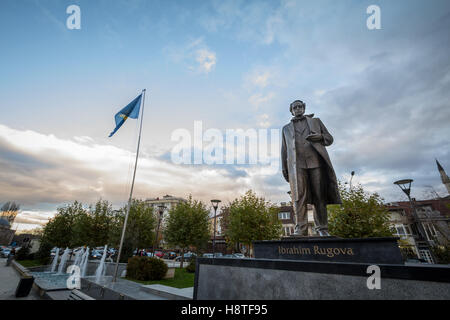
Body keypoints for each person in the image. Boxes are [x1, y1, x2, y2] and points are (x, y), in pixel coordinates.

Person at [281, 100, 341, 236]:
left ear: (304, 108)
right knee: (298, 197)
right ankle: (300, 229)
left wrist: (319, 137)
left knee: (319, 196)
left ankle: (322, 228)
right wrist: (284, 168)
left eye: (300, 106)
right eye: (295, 107)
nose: (298, 109)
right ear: (291, 110)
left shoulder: (316, 121)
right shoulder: (286, 128)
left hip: (316, 162)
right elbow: (284, 150)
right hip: (297, 166)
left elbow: (329, 139)